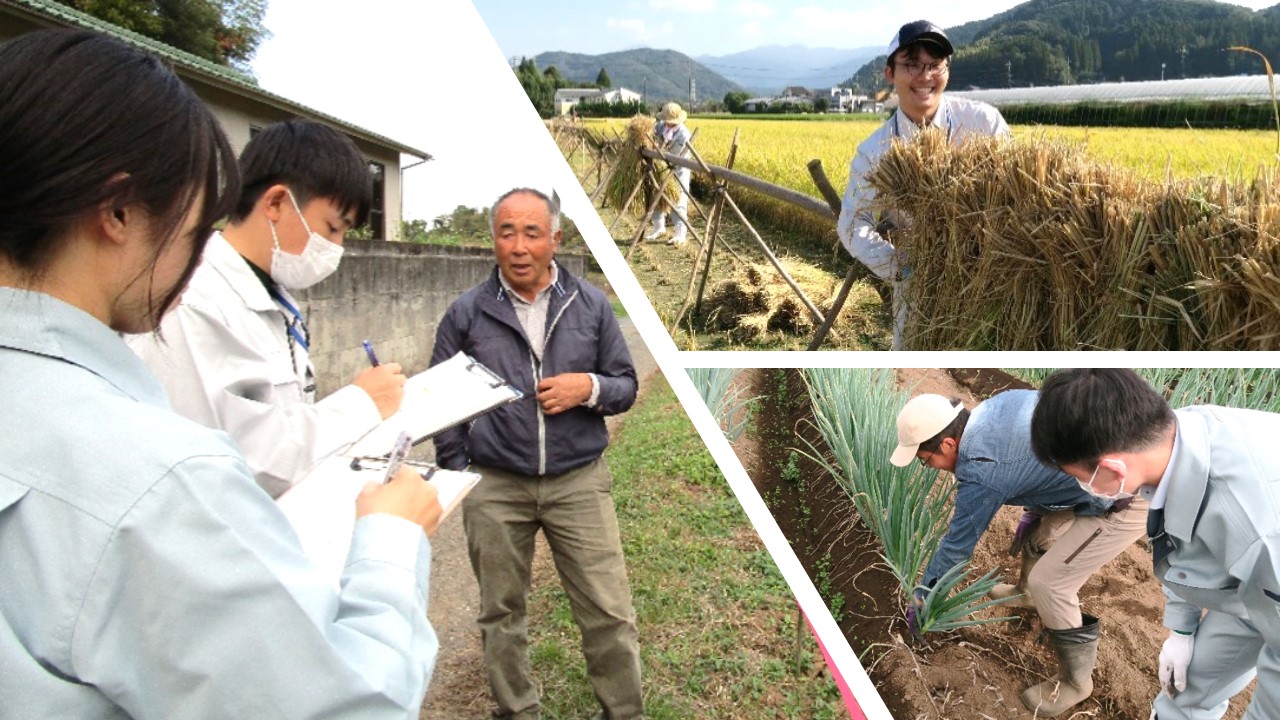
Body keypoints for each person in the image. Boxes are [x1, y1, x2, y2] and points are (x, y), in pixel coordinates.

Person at [0, 28, 442, 717]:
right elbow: (348, 703)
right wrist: (391, 541)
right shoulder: (158, 480)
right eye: (194, 216)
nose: (194, 244)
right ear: (118, 211)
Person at [431, 188, 642, 720]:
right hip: (497, 485)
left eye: (531, 233)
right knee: (500, 612)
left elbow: (625, 385)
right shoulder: (467, 313)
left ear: (555, 239)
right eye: (507, 232)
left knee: (608, 610)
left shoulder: (590, 304)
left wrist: (587, 387)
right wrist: (462, 474)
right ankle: (518, 711)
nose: (519, 246)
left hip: (578, 482)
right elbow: (442, 403)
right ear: (493, 240)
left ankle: (624, 711)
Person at [128, 118, 407, 498]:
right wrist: (361, 404)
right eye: (331, 228)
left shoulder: (273, 295)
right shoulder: (193, 303)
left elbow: (280, 420)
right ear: (276, 203)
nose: (337, 247)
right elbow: (248, 461)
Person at [1031, 369, 1280, 720]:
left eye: (1079, 478)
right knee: (1188, 689)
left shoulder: (1254, 528)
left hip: (1268, 567)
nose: (1082, 487)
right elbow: (1184, 537)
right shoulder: (1179, 439)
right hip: (1250, 583)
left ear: (1113, 469)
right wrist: (1182, 627)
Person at [891, 390, 1148, 717]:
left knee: (1050, 583)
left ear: (947, 444)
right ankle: (1025, 594)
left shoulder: (982, 468)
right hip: (1089, 473)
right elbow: (1039, 454)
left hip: (1122, 497)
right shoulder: (988, 411)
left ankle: (1075, 682)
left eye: (928, 462)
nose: (932, 469)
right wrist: (1039, 510)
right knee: (1037, 535)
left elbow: (957, 546)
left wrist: (925, 592)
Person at [837, 20, 1009, 349]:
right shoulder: (876, 151)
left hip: (989, 285)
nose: (925, 76)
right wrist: (904, 270)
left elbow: (1014, 197)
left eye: (934, 65)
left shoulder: (983, 124)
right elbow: (852, 224)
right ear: (890, 73)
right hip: (920, 291)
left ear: (948, 70)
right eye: (912, 65)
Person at [645, 101, 694, 246]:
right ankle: (659, 228)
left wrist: (661, 150)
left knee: (678, 200)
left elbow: (675, 155)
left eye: (671, 122)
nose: (668, 124)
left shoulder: (684, 134)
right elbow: (651, 135)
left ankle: (680, 234)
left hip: (678, 169)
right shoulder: (660, 126)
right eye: (667, 121)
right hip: (661, 168)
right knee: (656, 197)